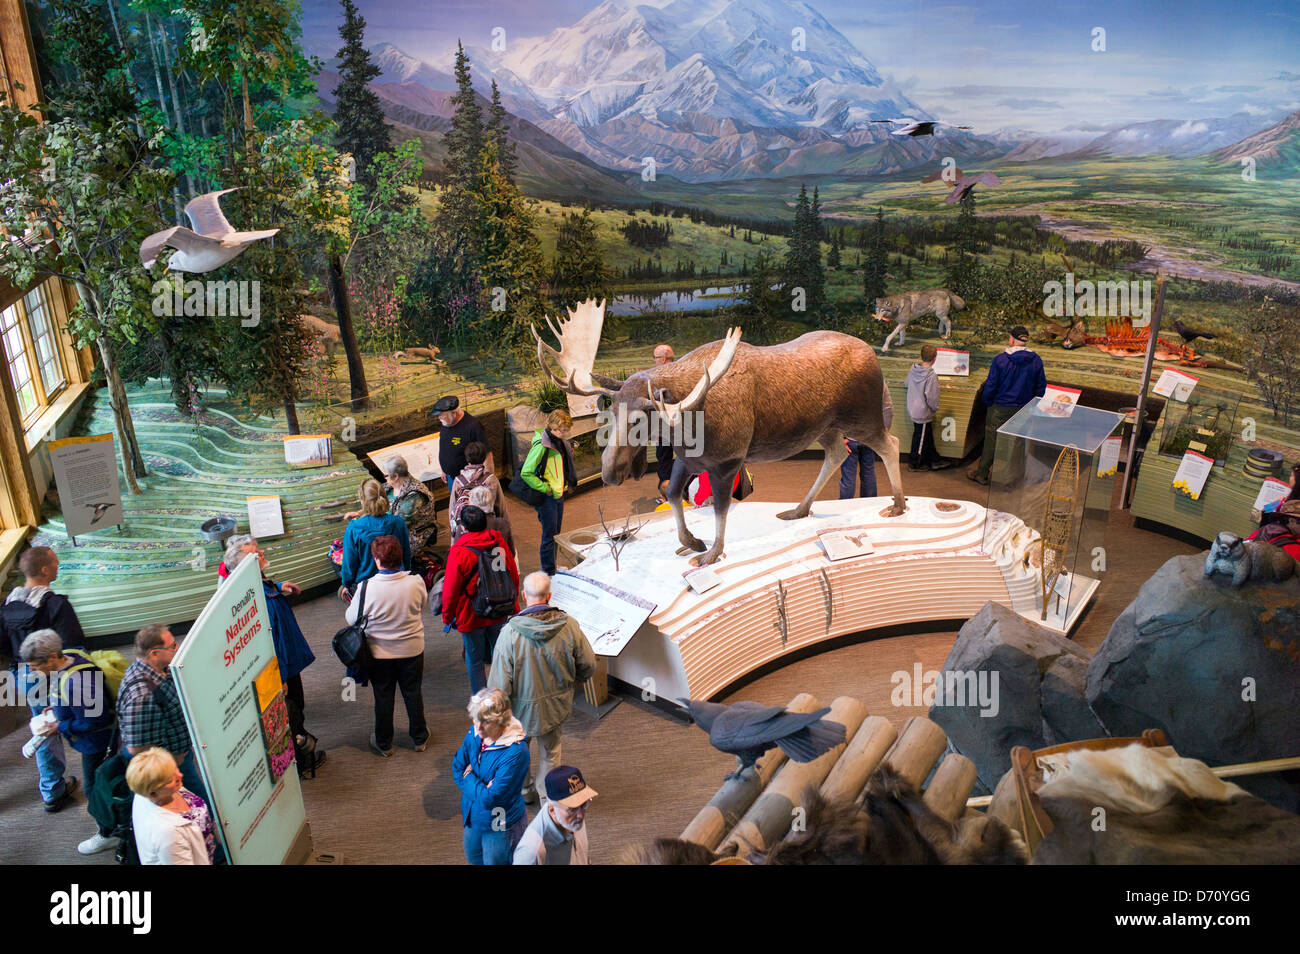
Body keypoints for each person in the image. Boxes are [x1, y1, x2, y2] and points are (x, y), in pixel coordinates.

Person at [489, 571, 595, 805]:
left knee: (518, 753)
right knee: (551, 753)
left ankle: (525, 792)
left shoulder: (509, 634)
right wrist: (574, 681)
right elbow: (588, 664)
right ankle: (548, 796)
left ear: (524, 596)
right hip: (555, 706)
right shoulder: (570, 625)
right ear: (549, 595)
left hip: (519, 711)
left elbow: (499, 685)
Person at [222, 541, 325, 776]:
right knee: (292, 712)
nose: (262, 553)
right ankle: (299, 762)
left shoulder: (249, 587)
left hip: (285, 664)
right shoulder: (260, 601)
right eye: (255, 554)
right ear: (245, 567)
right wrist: (279, 677)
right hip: (282, 669)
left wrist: (278, 586)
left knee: (292, 711)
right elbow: (268, 640)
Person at [2, 546, 86, 811]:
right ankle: (52, 789)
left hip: (21, 673)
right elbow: (72, 645)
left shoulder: (7, 605)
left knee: (42, 723)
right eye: (56, 563)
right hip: (53, 674)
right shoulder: (55, 604)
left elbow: (3, 646)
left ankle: (53, 786)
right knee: (60, 723)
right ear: (46, 569)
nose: (59, 565)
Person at [19, 629, 118, 854]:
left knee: (95, 789)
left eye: (35, 666)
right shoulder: (71, 656)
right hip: (92, 740)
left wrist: (59, 727)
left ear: (53, 657)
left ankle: (109, 833)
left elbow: (96, 720)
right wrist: (56, 709)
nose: (32, 671)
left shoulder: (79, 681)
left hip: (97, 743)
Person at [345, 535, 430, 757]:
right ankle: (419, 738)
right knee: (413, 693)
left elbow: (351, 619)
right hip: (412, 649)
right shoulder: (416, 582)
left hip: (379, 653)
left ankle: (384, 743)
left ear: (376, 559)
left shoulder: (366, 588)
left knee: (383, 696)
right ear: (401, 557)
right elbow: (423, 604)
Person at [117, 624, 207, 805]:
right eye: (172, 646)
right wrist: (171, 764)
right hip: (171, 765)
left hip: (180, 755)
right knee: (199, 802)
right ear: (154, 653)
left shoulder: (160, 670)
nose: (177, 648)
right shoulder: (142, 696)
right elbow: (139, 750)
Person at [443, 505, 520, 695]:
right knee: (500, 654)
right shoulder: (498, 542)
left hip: (471, 613)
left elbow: (451, 589)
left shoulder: (458, 552)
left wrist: (448, 616)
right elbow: (512, 575)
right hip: (500, 607)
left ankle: (482, 699)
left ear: (463, 527)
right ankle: (503, 693)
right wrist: (513, 603)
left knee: (475, 658)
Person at [452, 687, 530, 865]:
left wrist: (468, 775)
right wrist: (480, 786)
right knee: (474, 857)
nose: (478, 727)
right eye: (475, 719)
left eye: (486, 722)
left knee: (496, 861)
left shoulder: (516, 752)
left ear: (502, 722)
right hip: (473, 814)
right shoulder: (475, 732)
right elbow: (457, 767)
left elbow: (492, 799)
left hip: (500, 820)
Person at [969, 325, 1046, 486]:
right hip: (1024, 407)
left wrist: (988, 401)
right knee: (1017, 442)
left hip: (1000, 406)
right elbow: (1040, 387)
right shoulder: (1036, 360)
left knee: (992, 439)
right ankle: (1011, 479)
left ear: (1011, 340)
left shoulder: (1001, 360)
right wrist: (1032, 403)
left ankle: (982, 473)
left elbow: (991, 385)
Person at [126, 747, 217, 865]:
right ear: (153, 793)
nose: (179, 775)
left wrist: (205, 836)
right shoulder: (167, 833)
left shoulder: (163, 791)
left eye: (175, 770)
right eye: (170, 779)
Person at [521, 409, 577, 576]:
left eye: (566, 430)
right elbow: (526, 472)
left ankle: (552, 567)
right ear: (552, 427)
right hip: (548, 498)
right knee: (549, 536)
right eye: (560, 430)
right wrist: (545, 488)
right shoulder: (542, 446)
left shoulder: (560, 442)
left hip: (558, 494)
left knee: (555, 534)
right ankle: (547, 571)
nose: (564, 433)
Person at [340, 478, 410, 599]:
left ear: (363, 501)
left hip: (366, 587)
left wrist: (346, 584)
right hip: (396, 583)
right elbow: (406, 554)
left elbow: (349, 563)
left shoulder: (354, 528)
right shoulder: (398, 522)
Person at [513, 765, 597, 865]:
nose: (581, 815)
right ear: (552, 809)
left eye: (584, 804)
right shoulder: (530, 853)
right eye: (572, 809)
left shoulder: (574, 818)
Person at [840, 378, 895, 499]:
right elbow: (888, 409)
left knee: (848, 477)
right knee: (868, 473)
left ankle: (844, 507)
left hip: (850, 438)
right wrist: (882, 434)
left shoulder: (846, 380)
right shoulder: (878, 380)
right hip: (870, 437)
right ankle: (869, 505)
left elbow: (837, 412)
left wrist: (839, 438)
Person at [906, 344, 955, 471]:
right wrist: (934, 408)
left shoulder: (914, 369)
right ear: (935, 358)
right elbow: (931, 396)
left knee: (926, 435)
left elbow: (907, 383)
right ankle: (915, 463)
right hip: (923, 412)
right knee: (920, 438)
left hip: (913, 408)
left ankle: (935, 460)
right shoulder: (931, 375)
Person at [384, 457, 439, 556]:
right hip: (391, 528)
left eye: (386, 475)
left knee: (380, 550)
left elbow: (400, 525)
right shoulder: (390, 486)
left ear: (396, 476)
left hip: (413, 534)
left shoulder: (415, 495)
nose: (385, 478)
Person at [431, 395, 488, 488]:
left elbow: (486, 454)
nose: (439, 418)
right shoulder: (446, 423)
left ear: (454, 413)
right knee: (455, 501)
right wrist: (444, 470)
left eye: (442, 415)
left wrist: (486, 480)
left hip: (468, 480)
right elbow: (444, 447)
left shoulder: (473, 426)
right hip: (450, 477)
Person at [450, 441, 503, 540]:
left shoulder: (458, 481)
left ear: (467, 459)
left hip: (466, 531)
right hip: (488, 529)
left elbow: (452, 508)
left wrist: (454, 538)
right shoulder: (491, 479)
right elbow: (500, 506)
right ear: (484, 458)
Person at [652, 344, 676, 500]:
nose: (654, 361)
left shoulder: (660, 377)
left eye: (656, 357)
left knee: (664, 459)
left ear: (664, 358)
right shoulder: (681, 373)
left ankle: (667, 495)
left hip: (667, 427)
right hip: (680, 427)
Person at [468, 484, 515, 555]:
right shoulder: (503, 524)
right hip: (500, 564)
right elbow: (511, 552)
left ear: (472, 505)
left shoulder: (467, 527)